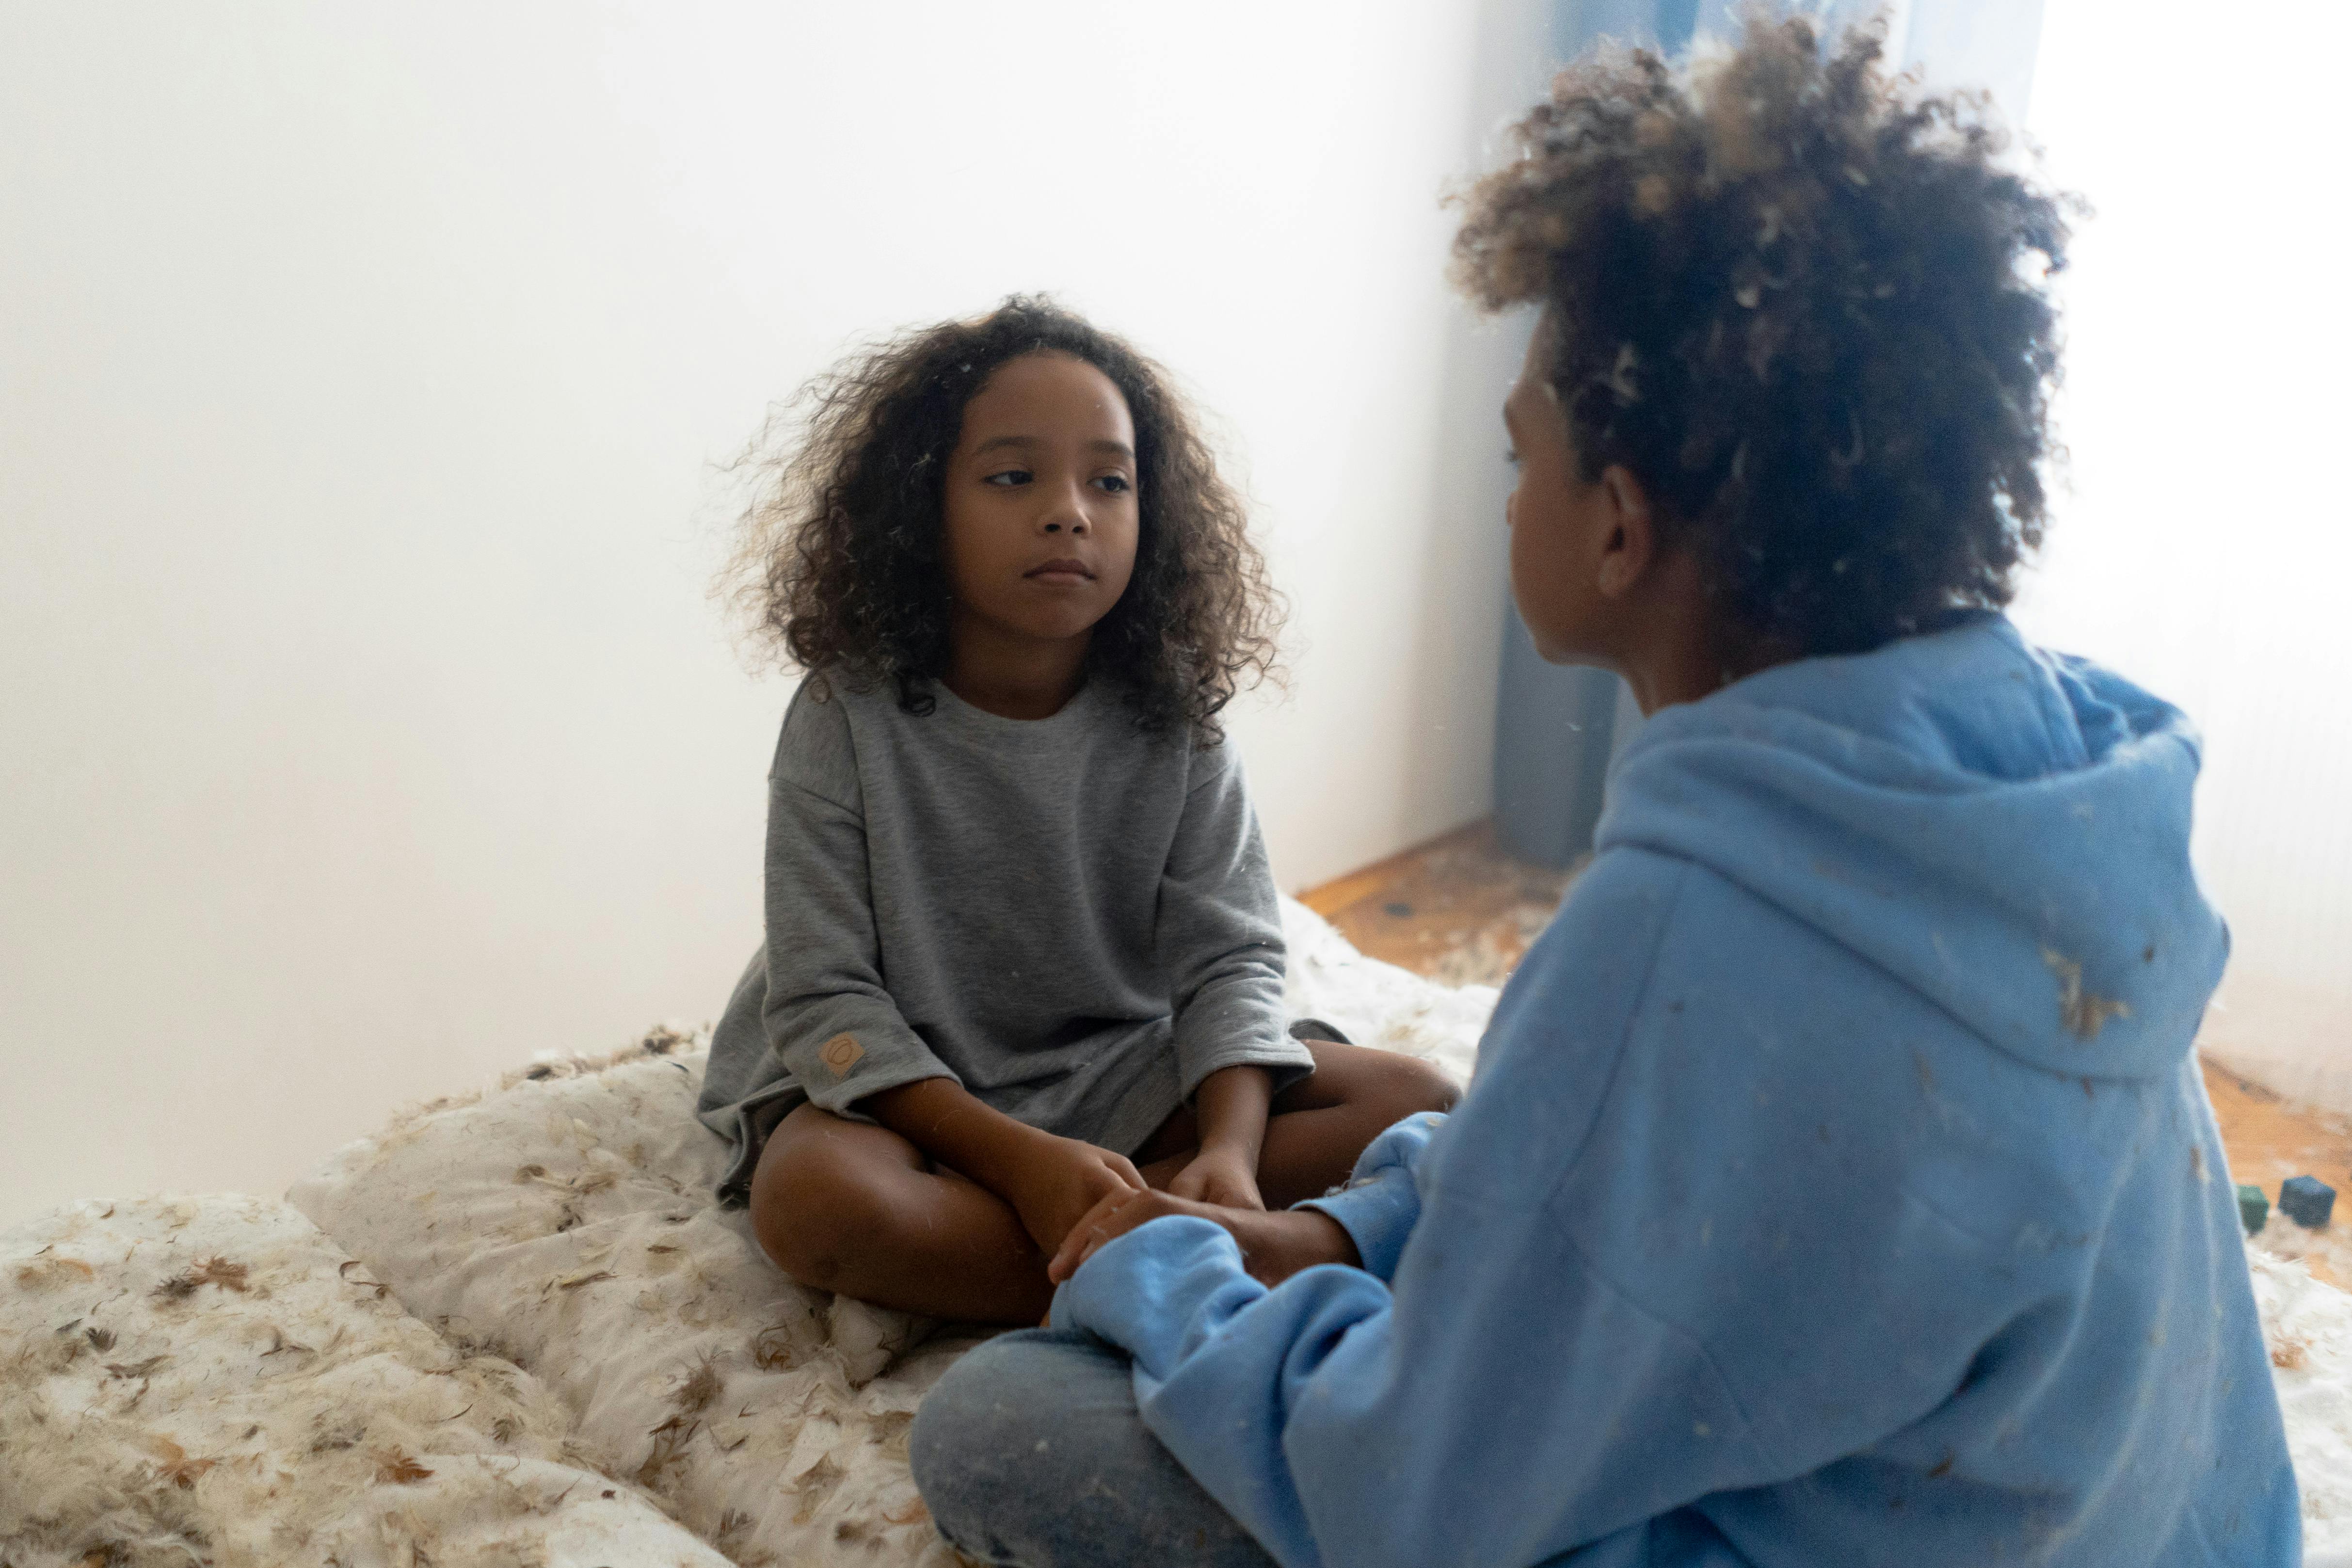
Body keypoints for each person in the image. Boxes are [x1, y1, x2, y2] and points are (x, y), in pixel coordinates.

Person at [908, 18, 2300, 1566]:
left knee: (1003, 1418)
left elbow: (1408, 1498)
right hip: (2148, 1526)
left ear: (1617, 524)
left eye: (1522, 458)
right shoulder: (2050, 784)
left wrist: (1167, 1284)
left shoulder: (1678, 936)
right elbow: (1610, 1167)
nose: (1511, 497)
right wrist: (1329, 1236)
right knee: (1386, 1188)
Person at [694, 297, 1458, 1325]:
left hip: (1115, 1064)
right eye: (1013, 478)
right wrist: (1017, 1162)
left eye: (1109, 480)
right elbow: (826, 1002)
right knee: (817, 1206)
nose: (1069, 511)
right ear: (923, 509)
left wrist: (1229, 1158)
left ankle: (1148, 1230)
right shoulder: (848, 711)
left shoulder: (1174, 718)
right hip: (905, 1090)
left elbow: (1228, 961)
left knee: (1416, 1099)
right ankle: (1180, 1258)